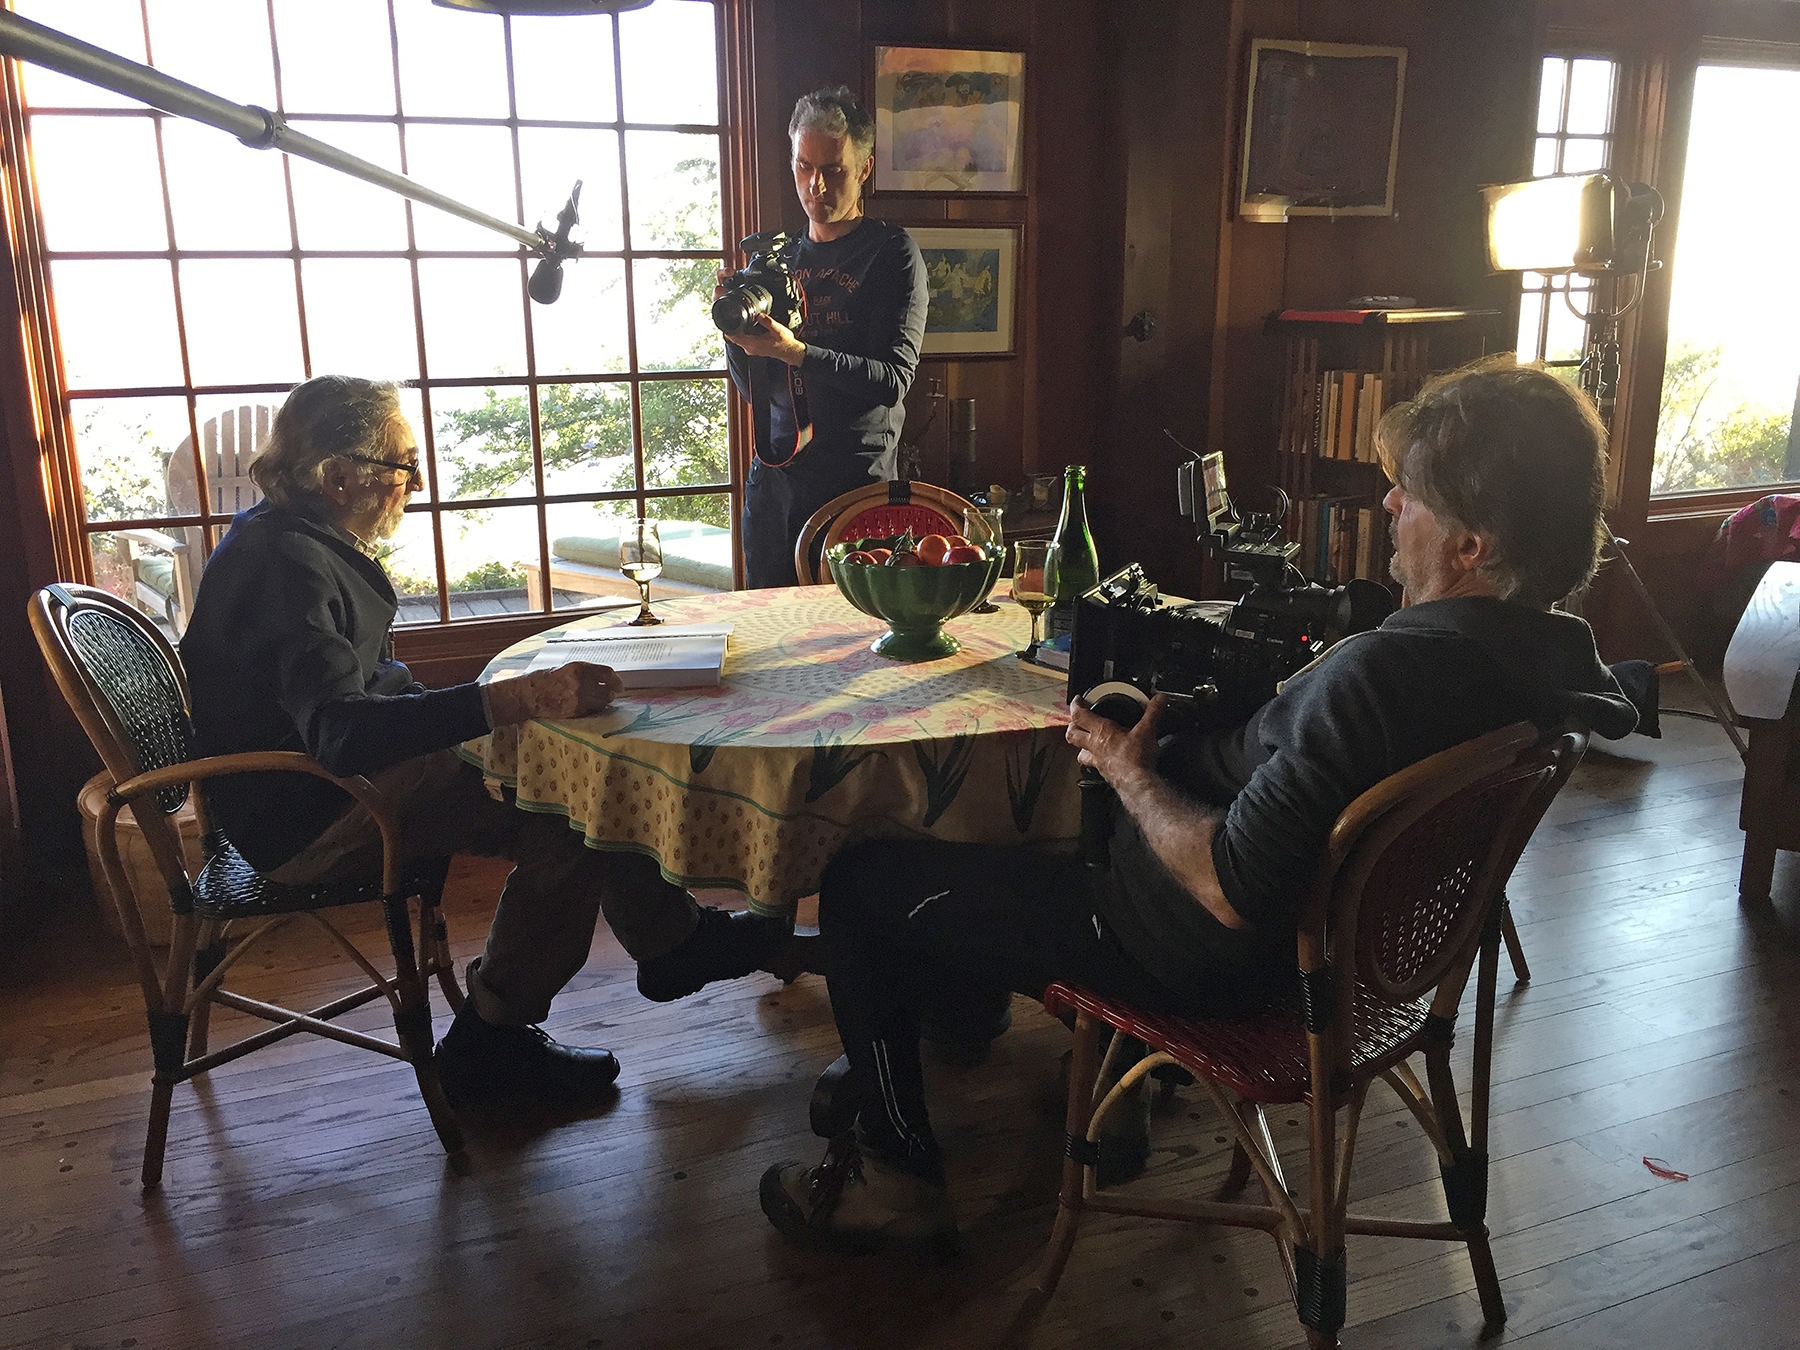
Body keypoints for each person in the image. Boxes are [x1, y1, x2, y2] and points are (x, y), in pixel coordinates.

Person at [757, 359, 1642, 1255]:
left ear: (1470, 546)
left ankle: (896, 1177)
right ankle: (1058, 1059)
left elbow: (1228, 888)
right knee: (995, 851)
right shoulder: (1554, 669)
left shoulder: (1381, 679)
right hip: (1364, 962)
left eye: (1407, 495)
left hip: (1197, 953)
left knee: (867, 880)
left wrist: (1128, 768)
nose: (1387, 508)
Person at [180, 374, 805, 1112]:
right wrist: (517, 697)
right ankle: (493, 1042)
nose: (414, 482)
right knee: (571, 818)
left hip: (293, 789)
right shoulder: (288, 567)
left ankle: (670, 945)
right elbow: (342, 733)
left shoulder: (283, 535)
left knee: (567, 785)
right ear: (337, 475)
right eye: (402, 465)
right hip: (307, 813)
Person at [720, 85, 929, 588]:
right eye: (804, 167)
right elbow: (755, 386)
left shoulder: (891, 253)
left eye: (833, 169)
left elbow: (891, 381)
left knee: (849, 645)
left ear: (864, 168)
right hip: (774, 480)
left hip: (853, 489)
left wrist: (795, 352)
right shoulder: (778, 259)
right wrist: (739, 337)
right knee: (766, 642)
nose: (816, 185)